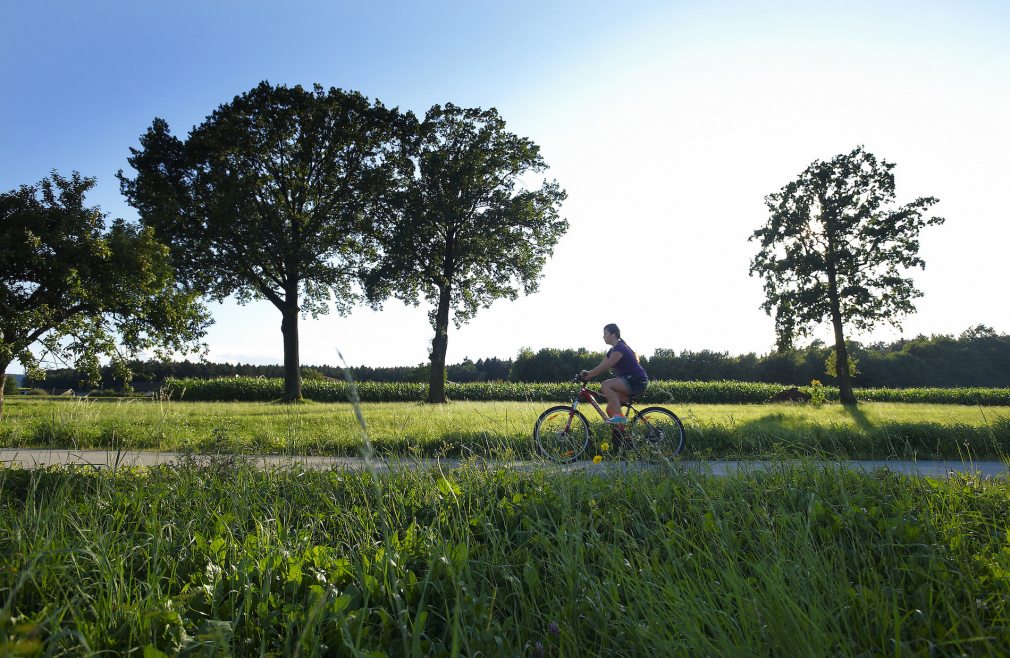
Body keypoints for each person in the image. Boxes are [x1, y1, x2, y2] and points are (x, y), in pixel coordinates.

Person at [580, 323, 648, 424]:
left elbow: (607, 365)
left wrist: (588, 372)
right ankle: (620, 436)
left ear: (613, 335)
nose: (603, 336)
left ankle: (620, 416)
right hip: (629, 381)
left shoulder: (620, 348)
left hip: (636, 380)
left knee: (606, 385)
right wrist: (584, 376)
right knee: (610, 409)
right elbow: (600, 368)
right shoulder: (612, 351)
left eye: (605, 333)